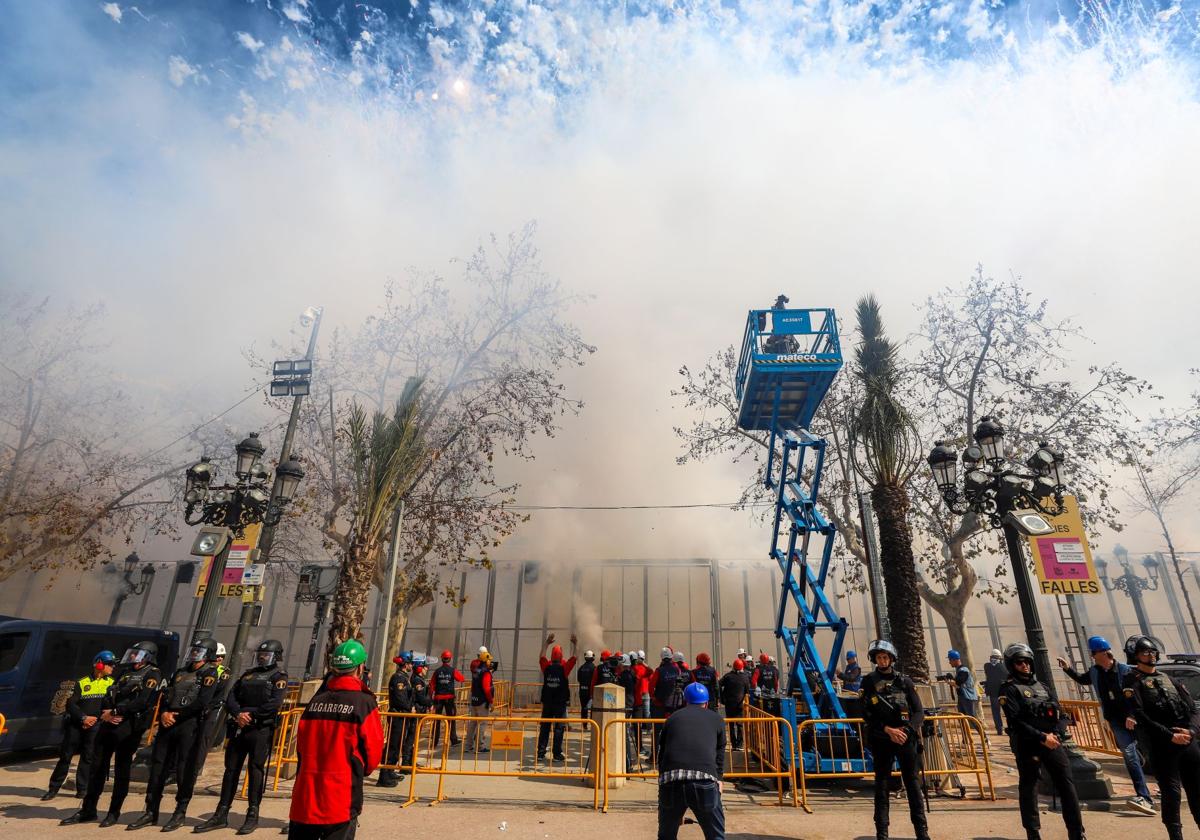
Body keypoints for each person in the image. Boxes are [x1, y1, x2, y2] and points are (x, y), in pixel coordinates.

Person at [287, 640, 383, 840]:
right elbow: (373, 750)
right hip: (341, 795)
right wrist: (361, 768)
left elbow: (301, 744)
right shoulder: (363, 702)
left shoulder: (317, 700)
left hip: (306, 794)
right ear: (360, 667)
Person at [61, 641, 164, 828]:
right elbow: (109, 693)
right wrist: (107, 712)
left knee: (121, 770)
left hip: (129, 727)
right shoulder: (125, 672)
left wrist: (117, 712)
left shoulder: (152, 673)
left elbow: (142, 702)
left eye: (137, 654)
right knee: (97, 767)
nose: (133, 657)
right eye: (133, 654)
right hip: (109, 723)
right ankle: (88, 809)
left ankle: (113, 812)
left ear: (148, 656)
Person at [194, 639, 289, 835]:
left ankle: (252, 814)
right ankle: (221, 813)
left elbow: (275, 703)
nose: (262, 658)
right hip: (239, 727)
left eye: (267, 655)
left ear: (276, 656)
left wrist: (251, 715)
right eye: (261, 654)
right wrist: (238, 714)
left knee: (255, 770)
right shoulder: (248, 675)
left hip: (260, 729)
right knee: (231, 770)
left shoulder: (278, 676)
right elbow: (231, 697)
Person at [126, 638, 220, 831]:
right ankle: (151, 810)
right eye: (194, 650)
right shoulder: (181, 672)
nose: (195, 654)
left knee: (184, 768)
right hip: (168, 723)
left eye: (199, 651)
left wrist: (178, 715)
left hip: (189, 724)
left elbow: (203, 701)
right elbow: (167, 694)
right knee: (158, 766)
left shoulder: (209, 673)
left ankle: (180, 812)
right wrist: (164, 713)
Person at [1057, 636, 1154, 815]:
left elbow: (1137, 696)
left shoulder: (1125, 671)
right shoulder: (1095, 671)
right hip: (1116, 721)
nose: (1092, 656)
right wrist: (1067, 668)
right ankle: (1144, 796)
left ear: (1103, 652)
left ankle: (1153, 792)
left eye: (1094, 653)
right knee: (1130, 755)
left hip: (1135, 720)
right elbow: (1082, 679)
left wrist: (1132, 715)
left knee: (1149, 754)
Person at [1000, 642, 1085, 840]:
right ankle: (1033, 832)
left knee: (1067, 785)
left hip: (1052, 742)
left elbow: (1061, 714)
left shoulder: (1043, 687)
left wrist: (1056, 734)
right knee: (1029, 788)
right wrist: (1042, 737)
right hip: (1028, 744)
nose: (1025, 666)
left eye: (1027, 662)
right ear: (1012, 665)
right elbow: (1015, 721)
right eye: (1019, 662)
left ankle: (1076, 832)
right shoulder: (1009, 690)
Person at [1121, 634, 1200, 840]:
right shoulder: (1132, 682)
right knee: (1172, 794)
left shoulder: (1170, 679)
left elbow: (1193, 710)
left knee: (1197, 790)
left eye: (1153, 651)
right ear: (1135, 656)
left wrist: (1191, 731)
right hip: (1162, 745)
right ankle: (1175, 835)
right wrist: (1170, 735)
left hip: (1187, 741)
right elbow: (1140, 716)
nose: (1151, 655)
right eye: (1145, 652)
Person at [860, 640, 929, 840]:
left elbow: (918, 711)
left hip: (906, 739)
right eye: (878, 658)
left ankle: (921, 831)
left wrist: (906, 730)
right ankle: (882, 832)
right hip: (882, 739)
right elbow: (866, 712)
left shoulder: (905, 682)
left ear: (891, 659)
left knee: (913, 784)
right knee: (882, 786)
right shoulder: (869, 682)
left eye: (885, 657)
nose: (882, 661)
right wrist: (887, 729)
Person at [44, 650, 116, 802]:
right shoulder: (81, 682)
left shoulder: (111, 683)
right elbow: (71, 704)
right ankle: (53, 788)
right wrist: (83, 718)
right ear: (99, 664)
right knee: (66, 756)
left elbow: (110, 705)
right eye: (110, 664)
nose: (113, 667)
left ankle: (82, 789)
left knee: (88, 757)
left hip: (96, 725)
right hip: (76, 724)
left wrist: (96, 719)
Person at [656, 682, 726, 840]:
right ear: (706, 702)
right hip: (704, 781)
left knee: (666, 835)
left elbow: (662, 753)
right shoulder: (717, 719)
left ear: (685, 700)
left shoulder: (672, 718)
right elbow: (719, 754)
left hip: (671, 781)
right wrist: (719, 779)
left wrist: (663, 782)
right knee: (716, 835)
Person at [377, 652, 415, 788]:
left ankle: (390, 770)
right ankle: (384, 775)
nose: (412, 666)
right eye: (410, 663)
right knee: (392, 746)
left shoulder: (404, 677)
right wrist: (410, 708)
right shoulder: (398, 678)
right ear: (405, 664)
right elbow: (400, 699)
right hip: (397, 715)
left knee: (397, 745)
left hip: (402, 715)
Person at [538, 634, 578, 762]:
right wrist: (575, 644)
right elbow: (575, 658)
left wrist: (546, 643)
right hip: (560, 704)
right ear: (561, 657)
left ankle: (541, 752)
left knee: (545, 727)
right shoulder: (564, 669)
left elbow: (541, 657)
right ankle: (556, 753)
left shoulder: (547, 668)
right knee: (559, 728)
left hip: (547, 703)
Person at [429, 650, 464, 748]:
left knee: (437, 720)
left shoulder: (437, 671)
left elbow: (432, 686)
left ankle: (434, 742)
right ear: (450, 659)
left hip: (438, 699)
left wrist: (430, 700)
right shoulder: (452, 670)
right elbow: (461, 679)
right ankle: (453, 740)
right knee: (451, 719)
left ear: (441, 659)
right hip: (449, 699)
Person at [464, 650, 494, 753]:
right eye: (489, 660)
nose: (490, 662)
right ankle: (480, 746)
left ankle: (468, 746)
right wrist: (491, 701)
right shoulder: (486, 673)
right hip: (482, 702)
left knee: (472, 723)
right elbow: (486, 688)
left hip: (474, 700)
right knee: (482, 724)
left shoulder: (476, 670)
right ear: (486, 660)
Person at [719, 659, 750, 750]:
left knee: (731, 725)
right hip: (740, 704)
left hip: (729, 704)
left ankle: (734, 745)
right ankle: (740, 745)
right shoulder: (745, 677)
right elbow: (747, 691)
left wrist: (722, 698)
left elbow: (718, 684)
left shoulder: (728, 676)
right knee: (739, 724)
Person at [938, 650, 979, 718]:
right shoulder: (959, 670)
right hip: (962, 697)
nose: (949, 662)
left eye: (950, 660)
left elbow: (960, 681)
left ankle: (979, 728)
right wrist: (949, 681)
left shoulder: (964, 670)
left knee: (971, 718)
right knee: (962, 718)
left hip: (967, 697)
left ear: (955, 660)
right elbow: (958, 684)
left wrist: (952, 679)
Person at [983, 649, 1008, 736]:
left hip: (993, 694)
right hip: (1002, 694)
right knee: (1007, 711)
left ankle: (999, 728)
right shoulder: (1003, 667)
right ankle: (1010, 727)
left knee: (995, 712)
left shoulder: (987, 666)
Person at [576, 651, 596, 715]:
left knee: (584, 708)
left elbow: (578, 679)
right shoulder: (594, 668)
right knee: (593, 709)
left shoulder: (581, 668)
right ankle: (593, 724)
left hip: (582, 692)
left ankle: (584, 724)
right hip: (590, 692)